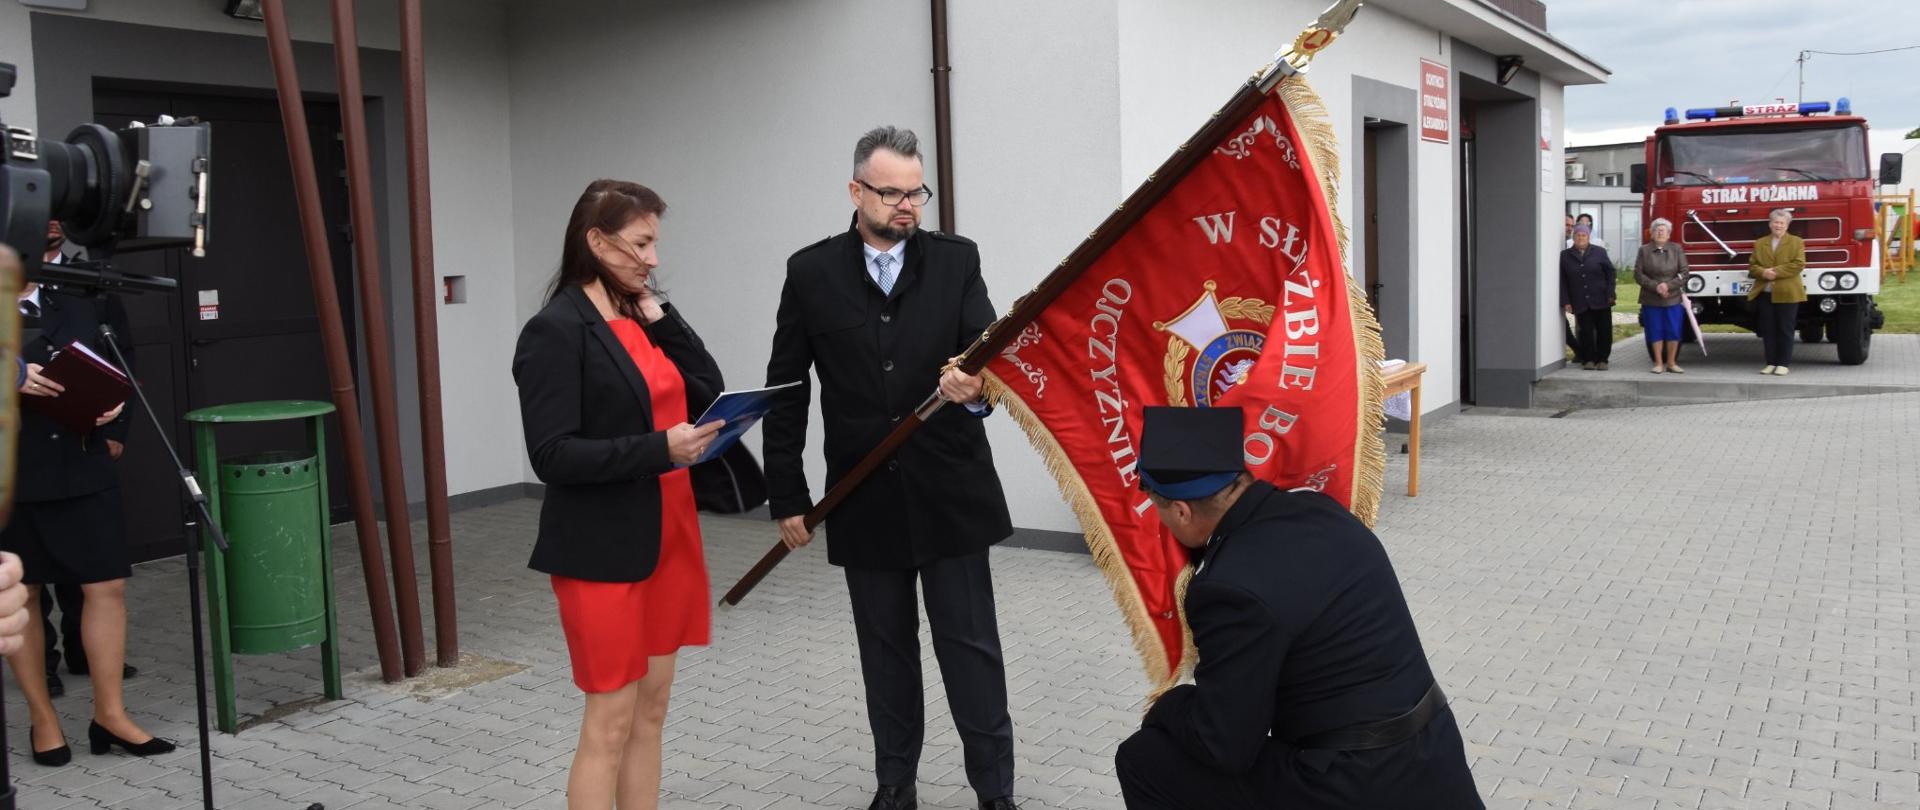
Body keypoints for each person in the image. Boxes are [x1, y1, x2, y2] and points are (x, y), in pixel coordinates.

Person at [763, 126, 1020, 810]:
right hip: (862, 495)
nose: (907, 206)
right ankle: (895, 785)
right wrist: (786, 495)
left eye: (917, 193)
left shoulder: (956, 261)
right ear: (856, 192)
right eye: (892, 193)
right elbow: (788, 393)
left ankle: (995, 792)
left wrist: (977, 387)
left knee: (970, 650)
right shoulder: (810, 273)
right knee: (885, 653)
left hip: (951, 494)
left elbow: (989, 357)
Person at [1114, 406, 1483, 809]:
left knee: (1144, 757)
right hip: (1433, 753)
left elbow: (1224, 744)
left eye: (1158, 509)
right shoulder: (1320, 511)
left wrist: (1169, 704)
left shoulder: (1229, 586)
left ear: (1182, 511)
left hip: (1357, 784)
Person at [513, 180, 726, 810]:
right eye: (640, 244)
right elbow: (552, 454)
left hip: (670, 538)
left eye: (655, 243)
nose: (652, 259)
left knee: (651, 712)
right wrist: (661, 450)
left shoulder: (639, 315)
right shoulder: (554, 330)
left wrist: (661, 312)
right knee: (608, 722)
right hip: (602, 551)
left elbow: (705, 386)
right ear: (597, 242)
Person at [4, 233, 175, 767]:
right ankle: (43, 719)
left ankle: (110, 715)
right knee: (24, 594)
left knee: (106, 586)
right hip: (13, 473)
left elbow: (114, 361)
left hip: (81, 459)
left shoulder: (77, 295)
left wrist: (106, 407)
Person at [33, 220, 138, 699]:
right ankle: (43, 665)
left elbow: (122, 360)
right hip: (21, 464)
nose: (50, 219)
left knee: (93, 576)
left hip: (82, 450)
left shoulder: (88, 286)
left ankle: (87, 656)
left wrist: (116, 425)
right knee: (27, 583)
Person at [1748, 208, 1806, 375]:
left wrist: (1775, 272)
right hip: (1765, 293)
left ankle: (1783, 364)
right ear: (1770, 224)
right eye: (1775, 222)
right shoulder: (1760, 243)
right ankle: (1770, 363)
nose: (1778, 225)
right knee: (1768, 329)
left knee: (1785, 329)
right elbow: (1752, 266)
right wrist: (1762, 273)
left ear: (1787, 225)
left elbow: (1798, 264)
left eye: (1782, 223)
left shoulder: (1796, 242)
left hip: (1788, 293)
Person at [1635, 218, 1692, 374]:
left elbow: (1684, 272)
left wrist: (1668, 286)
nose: (1660, 232)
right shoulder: (1644, 250)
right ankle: (1658, 363)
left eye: (1663, 230)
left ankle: (1672, 363)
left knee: (1673, 330)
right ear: (1652, 234)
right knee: (1655, 330)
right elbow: (1638, 274)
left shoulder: (1676, 249)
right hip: (1651, 298)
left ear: (1668, 234)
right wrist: (1656, 286)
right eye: (1657, 230)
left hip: (1673, 297)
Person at [1560, 224, 1617, 370]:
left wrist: (1610, 292)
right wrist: (1566, 301)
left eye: (1583, 235)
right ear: (1573, 237)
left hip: (1602, 298)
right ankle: (1588, 359)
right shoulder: (1565, 256)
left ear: (1588, 237)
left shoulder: (1599, 252)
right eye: (1578, 235)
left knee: (1604, 330)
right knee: (1585, 331)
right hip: (1580, 299)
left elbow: (1610, 273)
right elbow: (1563, 280)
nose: (1581, 238)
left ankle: (1603, 359)